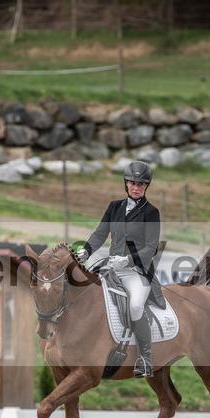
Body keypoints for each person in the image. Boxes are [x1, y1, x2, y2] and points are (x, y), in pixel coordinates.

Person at [75, 160, 161, 378]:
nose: (136, 187)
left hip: (137, 271)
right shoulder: (114, 207)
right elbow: (100, 234)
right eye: (132, 183)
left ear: (146, 187)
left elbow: (151, 247)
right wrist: (86, 251)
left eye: (140, 184)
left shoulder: (151, 212)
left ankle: (145, 359)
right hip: (111, 267)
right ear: (126, 183)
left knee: (134, 307)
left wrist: (127, 261)